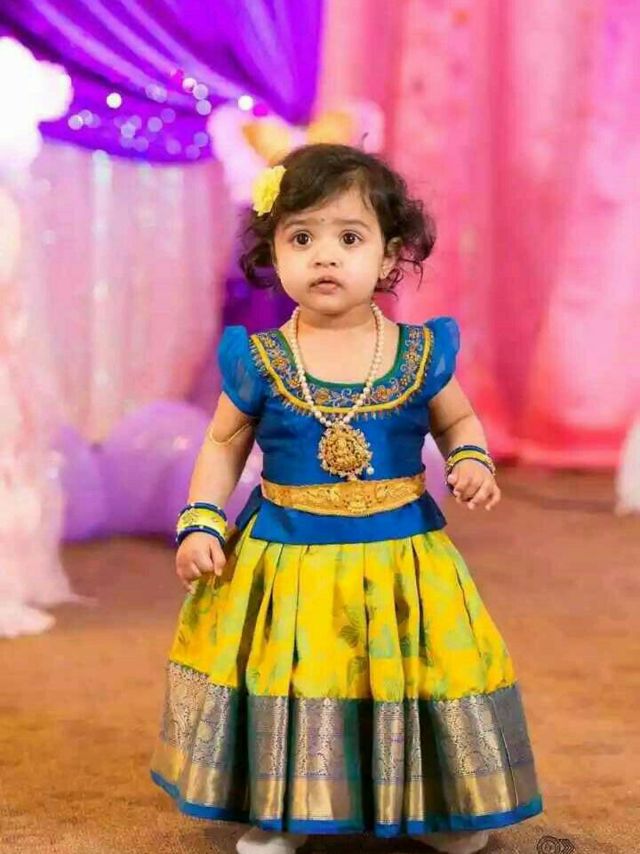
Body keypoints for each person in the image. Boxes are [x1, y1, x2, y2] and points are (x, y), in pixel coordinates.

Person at [149, 144, 543, 854]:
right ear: (272, 252)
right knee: (296, 675)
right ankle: (283, 809)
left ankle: (437, 807)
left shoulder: (419, 352)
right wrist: (201, 520)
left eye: (350, 239)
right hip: (289, 557)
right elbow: (223, 445)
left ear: (390, 257)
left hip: (402, 558)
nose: (324, 256)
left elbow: (457, 419)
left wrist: (471, 458)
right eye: (302, 238)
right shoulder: (261, 359)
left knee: (419, 669)